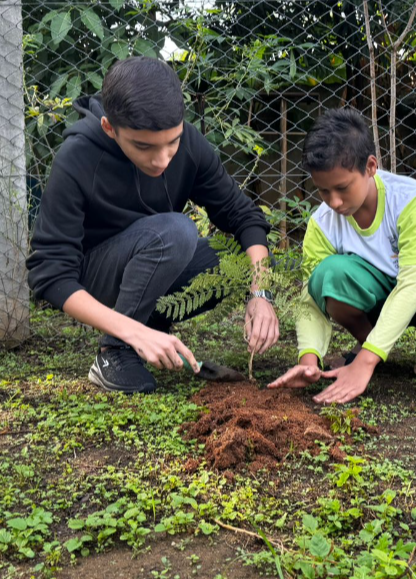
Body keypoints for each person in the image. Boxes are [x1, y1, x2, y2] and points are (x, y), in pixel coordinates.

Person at [27, 57, 279, 393]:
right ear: (109, 128)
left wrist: (261, 293)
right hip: (96, 274)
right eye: (143, 146)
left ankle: (151, 322)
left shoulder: (189, 144)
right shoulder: (77, 156)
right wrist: (132, 332)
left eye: (172, 142)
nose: (162, 159)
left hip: (153, 257)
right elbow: (50, 274)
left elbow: (243, 215)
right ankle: (115, 350)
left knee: (245, 259)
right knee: (177, 232)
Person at [268, 109, 416, 404]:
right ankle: (370, 340)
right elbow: (311, 299)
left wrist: (365, 361)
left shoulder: (410, 198)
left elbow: (412, 285)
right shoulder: (322, 223)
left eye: (342, 188)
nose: (334, 202)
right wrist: (308, 360)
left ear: (370, 166)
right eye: (323, 191)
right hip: (375, 295)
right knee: (327, 276)